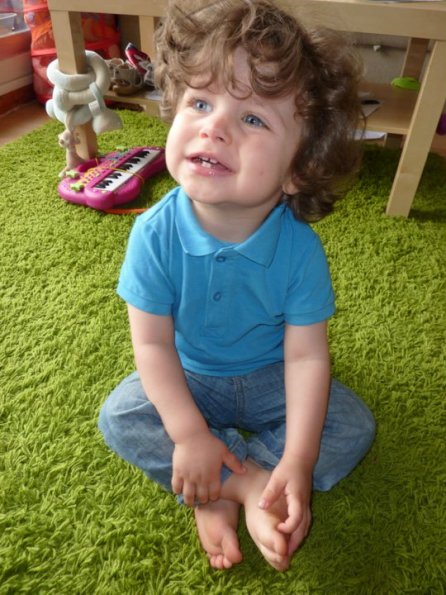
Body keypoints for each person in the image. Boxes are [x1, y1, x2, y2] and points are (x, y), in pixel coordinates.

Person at [98, 0, 375, 572]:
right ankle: (240, 485)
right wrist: (188, 435)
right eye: (200, 102)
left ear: (298, 168)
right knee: (122, 415)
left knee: (351, 425)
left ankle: (235, 479)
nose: (214, 126)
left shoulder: (299, 249)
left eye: (253, 119)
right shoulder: (154, 234)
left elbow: (305, 357)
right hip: (191, 376)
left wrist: (297, 460)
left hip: (271, 374)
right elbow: (152, 346)